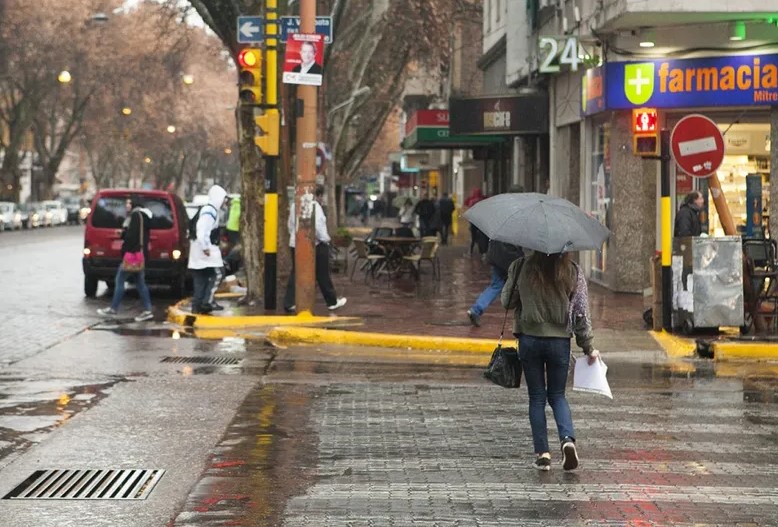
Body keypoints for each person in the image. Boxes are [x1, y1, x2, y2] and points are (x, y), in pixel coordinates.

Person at [501, 251, 597, 472]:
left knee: (536, 397)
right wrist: (588, 347)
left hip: (529, 340)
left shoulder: (520, 266)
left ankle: (543, 454)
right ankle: (567, 440)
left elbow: (507, 301)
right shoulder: (572, 270)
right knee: (557, 395)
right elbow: (580, 314)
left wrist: (518, 284)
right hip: (559, 341)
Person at [284, 186, 347, 313]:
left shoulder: (294, 205)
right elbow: (318, 227)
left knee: (296, 272)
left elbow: (290, 224)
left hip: (295, 243)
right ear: (317, 196)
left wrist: (294, 236)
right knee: (322, 273)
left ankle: (289, 302)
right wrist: (325, 239)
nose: (322, 199)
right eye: (321, 196)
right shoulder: (315, 206)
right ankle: (332, 301)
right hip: (316, 244)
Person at [97, 199, 154, 322]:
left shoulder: (135, 215)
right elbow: (138, 234)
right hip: (140, 254)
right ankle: (148, 310)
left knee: (120, 279)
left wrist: (124, 250)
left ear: (134, 204)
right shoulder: (144, 215)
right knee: (140, 282)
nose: (126, 205)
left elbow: (132, 236)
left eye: (128, 203)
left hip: (133, 254)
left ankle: (113, 309)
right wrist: (124, 234)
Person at [188, 185, 227, 315]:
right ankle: (207, 302)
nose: (225, 202)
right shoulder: (210, 211)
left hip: (197, 251)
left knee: (201, 277)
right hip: (204, 250)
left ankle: (197, 306)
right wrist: (205, 247)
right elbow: (202, 230)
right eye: (223, 199)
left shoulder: (206, 209)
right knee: (218, 273)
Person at [467, 240, 523, 327]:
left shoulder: (499, 227)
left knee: (496, 285)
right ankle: (525, 317)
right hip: (511, 257)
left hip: (497, 256)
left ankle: (476, 309)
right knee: (523, 286)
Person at [464, 188, 488, 255]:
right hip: (481, 221)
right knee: (482, 237)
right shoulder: (483, 199)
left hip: (473, 221)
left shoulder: (472, 200)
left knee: (473, 237)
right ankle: (482, 252)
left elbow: (466, 204)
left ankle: (470, 251)